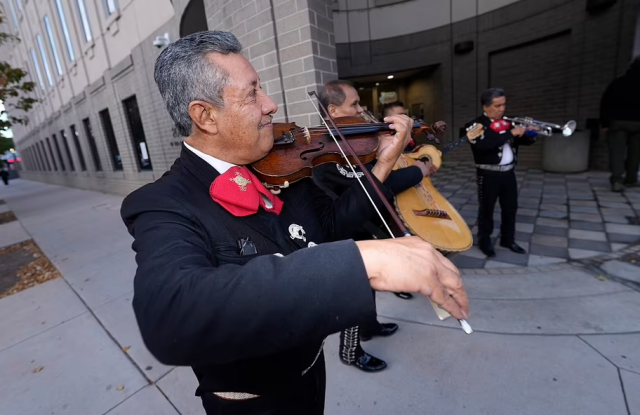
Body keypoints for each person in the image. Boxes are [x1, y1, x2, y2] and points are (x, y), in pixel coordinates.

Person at [120, 31, 469, 415]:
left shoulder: (284, 164)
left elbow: (333, 224)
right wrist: (363, 261)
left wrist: (383, 162)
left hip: (311, 369)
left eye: (262, 88)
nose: (270, 105)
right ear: (205, 115)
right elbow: (171, 316)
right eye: (252, 93)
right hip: (255, 403)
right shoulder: (161, 204)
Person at [313, 81, 442, 373]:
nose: (362, 109)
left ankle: (369, 326)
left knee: (369, 286)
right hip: (346, 232)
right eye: (355, 104)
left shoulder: (358, 139)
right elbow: (376, 186)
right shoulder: (325, 154)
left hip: (367, 227)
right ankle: (349, 351)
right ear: (333, 110)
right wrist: (416, 171)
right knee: (354, 293)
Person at [465, 88, 537, 258]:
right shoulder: (474, 125)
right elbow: (483, 146)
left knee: (510, 207)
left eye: (503, 105)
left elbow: (525, 142)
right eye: (497, 106)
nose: (502, 109)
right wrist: (510, 133)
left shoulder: (510, 122)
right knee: (487, 209)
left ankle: (508, 239)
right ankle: (485, 241)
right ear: (486, 106)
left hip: (508, 173)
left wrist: (530, 133)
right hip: (488, 174)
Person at [600, 55, 640, 192]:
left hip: (617, 122)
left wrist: (605, 124)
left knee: (617, 152)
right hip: (638, 122)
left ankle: (617, 180)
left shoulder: (617, 83)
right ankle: (631, 179)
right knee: (636, 153)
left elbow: (605, 103)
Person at [381, 101, 447, 152]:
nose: (406, 118)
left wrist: (434, 129)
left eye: (405, 115)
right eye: (400, 115)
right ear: (387, 118)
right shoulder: (383, 140)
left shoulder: (409, 132)